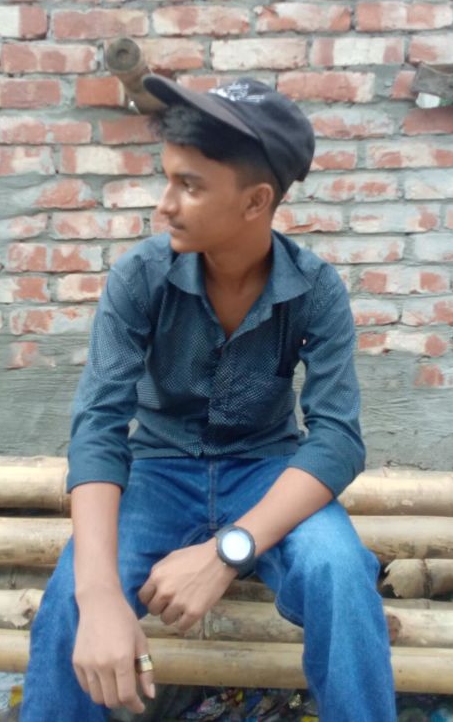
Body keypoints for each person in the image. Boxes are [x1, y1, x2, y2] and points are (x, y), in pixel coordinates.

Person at [20, 76, 396, 722]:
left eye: (189, 186)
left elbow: (337, 437)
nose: (164, 205)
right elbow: (99, 427)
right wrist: (99, 594)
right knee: (71, 604)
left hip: (266, 472)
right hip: (157, 474)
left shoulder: (315, 289)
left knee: (339, 570)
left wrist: (229, 549)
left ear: (256, 201)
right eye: (166, 179)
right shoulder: (140, 277)